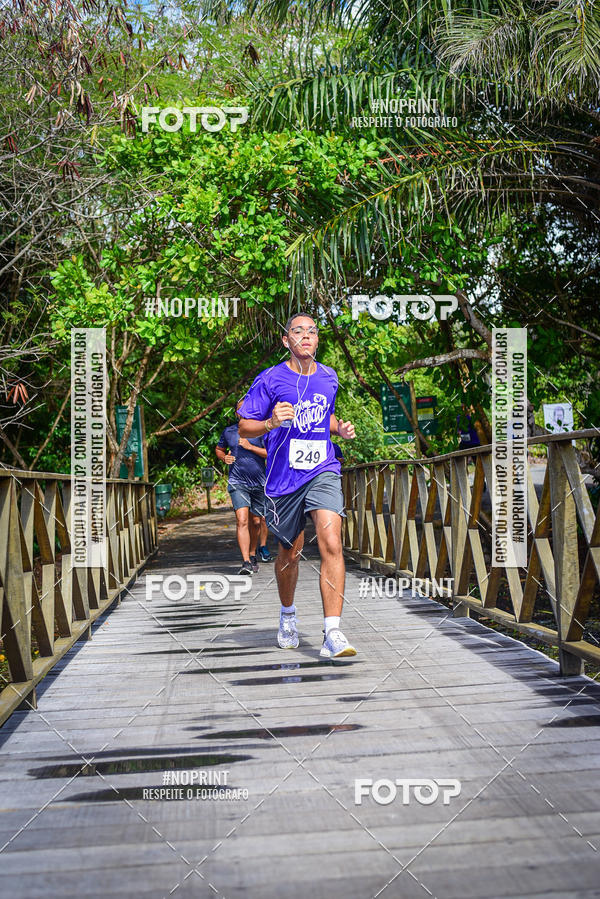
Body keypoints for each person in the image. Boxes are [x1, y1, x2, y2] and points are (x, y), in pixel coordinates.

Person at [238, 312, 357, 658]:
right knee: (289, 553)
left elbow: (325, 415)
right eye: (298, 331)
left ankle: (332, 632)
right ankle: (287, 614)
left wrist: (339, 429)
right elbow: (245, 426)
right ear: (286, 340)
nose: (306, 336)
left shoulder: (329, 377)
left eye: (312, 332)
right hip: (284, 478)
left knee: (331, 539)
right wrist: (270, 422)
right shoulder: (271, 379)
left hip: (323, 468)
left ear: (318, 340)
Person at [216, 399, 272, 576]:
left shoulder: (261, 431)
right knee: (242, 520)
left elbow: (270, 454)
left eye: (248, 409)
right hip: (237, 482)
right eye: (241, 410)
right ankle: (246, 562)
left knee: (256, 522)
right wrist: (223, 457)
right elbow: (219, 449)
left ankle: (253, 554)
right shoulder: (229, 431)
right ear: (236, 413)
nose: (244, 413)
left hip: (259, 482)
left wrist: (250, 447)